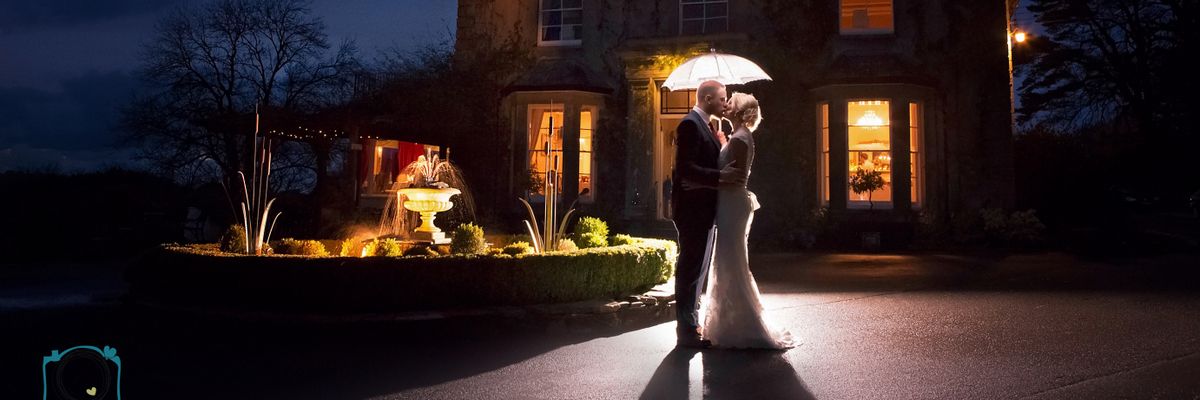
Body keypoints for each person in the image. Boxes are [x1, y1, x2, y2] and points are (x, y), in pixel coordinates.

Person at [700, 92, 795, 350]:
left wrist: (709, 177)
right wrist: (722, 143)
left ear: (740, 112)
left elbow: (738, 176)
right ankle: (730, 322)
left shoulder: (741, 139)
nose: (725, 104)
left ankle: (743, 325)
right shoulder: (736, 137)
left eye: (730, 103)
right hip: (729, 203)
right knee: (728, 259)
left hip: (733, 203)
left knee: (731, 261)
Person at [670, 80, 745, 349]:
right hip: (692, 210)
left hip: (705, 208)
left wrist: (720, 145)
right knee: (690, 269)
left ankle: (692, 321)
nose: (725, 104)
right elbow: (685, 170)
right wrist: (720, 176)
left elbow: (700, 164)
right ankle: (686, 329)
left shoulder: (710, 126)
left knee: (698, 268)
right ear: (708, 98)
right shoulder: (689, 124)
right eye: (722, 98)